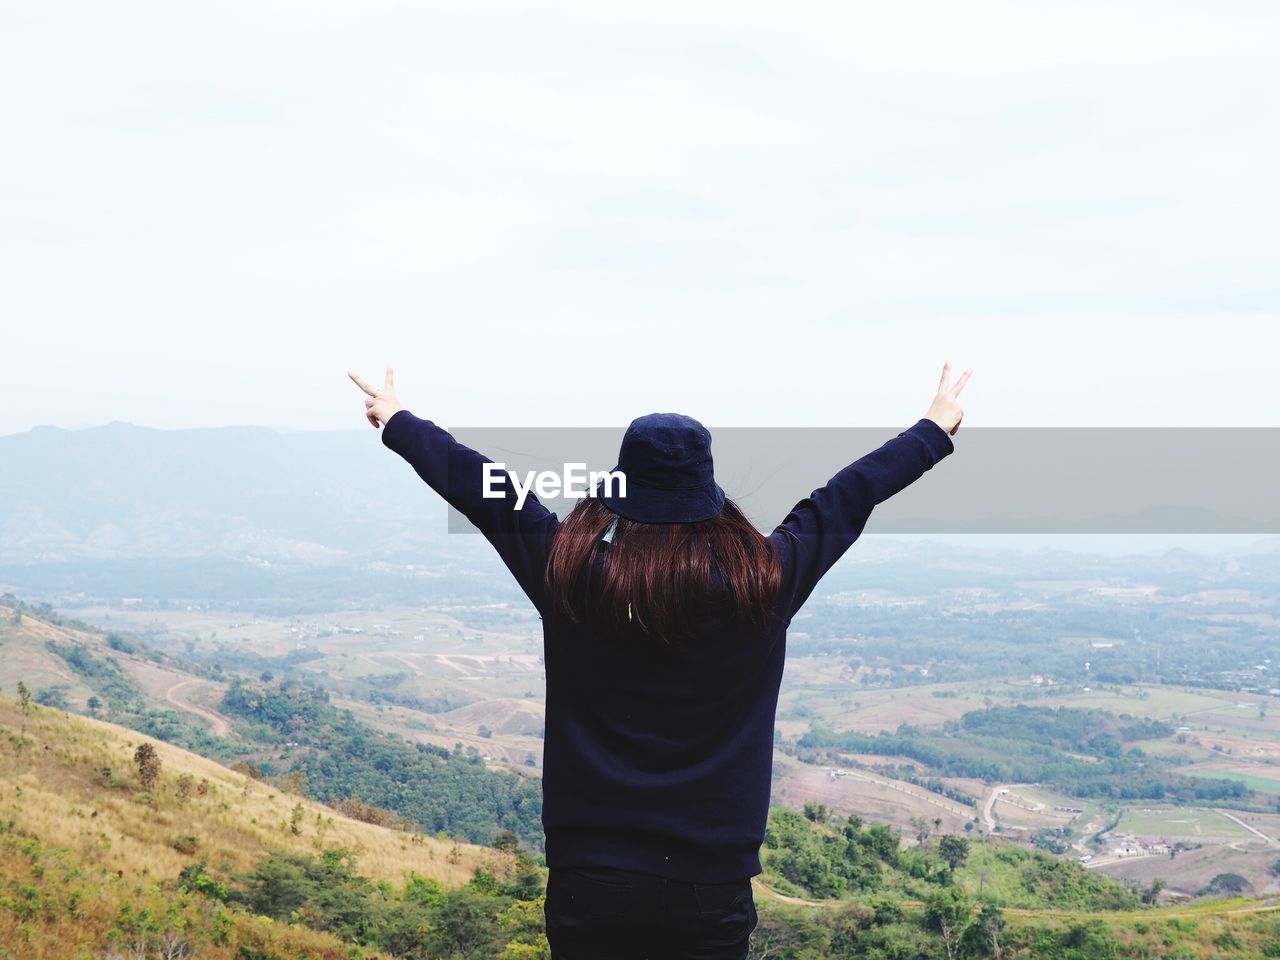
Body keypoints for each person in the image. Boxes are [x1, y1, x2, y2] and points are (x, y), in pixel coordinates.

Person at [349, 363, 970, 960]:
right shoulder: (764, 581)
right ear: (707, 491)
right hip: (711, 885)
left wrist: (400, 421)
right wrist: (932, 431)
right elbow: (846, 498)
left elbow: (487, 490)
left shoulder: (567, 570)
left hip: (589, 878)